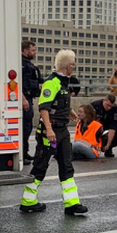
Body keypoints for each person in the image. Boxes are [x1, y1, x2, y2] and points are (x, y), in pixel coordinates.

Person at [20, 49, 88, 215]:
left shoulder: (63, 82)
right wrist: (49, 129)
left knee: (67, 165)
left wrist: (70, 112)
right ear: (68, 66)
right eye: (73, 65)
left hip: (62, 130)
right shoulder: (52, 82)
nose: (73, 68)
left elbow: (60, 102)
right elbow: (44, 107)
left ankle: (72, 203)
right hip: (50, 131)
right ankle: (28, 201)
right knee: (40, 166)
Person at [22, 41, 43, 165]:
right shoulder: (21, 64)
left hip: (30, 98)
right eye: (33, 50)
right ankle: (22, 154)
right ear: (25, 51)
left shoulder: (29, 64)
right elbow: (18, 84)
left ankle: (25, 152)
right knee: (24, 128)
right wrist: (23, 99)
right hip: (24, 98)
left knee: (28, 127)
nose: (34, 52)